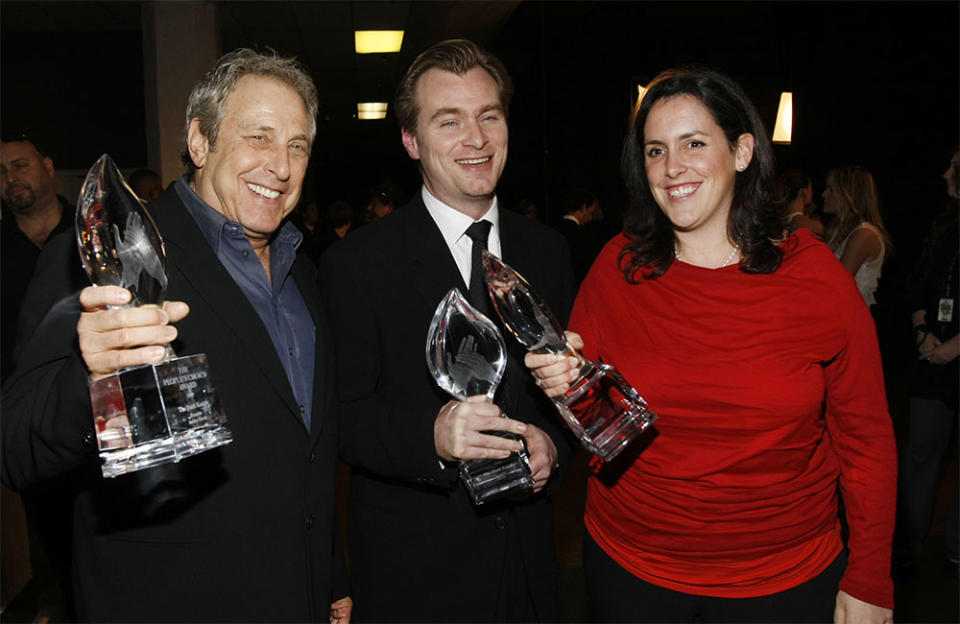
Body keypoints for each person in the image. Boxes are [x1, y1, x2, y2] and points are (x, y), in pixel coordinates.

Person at [525, 68, 896, 623]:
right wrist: (567, 388)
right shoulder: (618, 268)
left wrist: (869, 577)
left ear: (742, 150)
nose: (673, 168)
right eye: (656, 150)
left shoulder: (814, 277)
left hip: (782, 580)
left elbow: (865, 440)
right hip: (634, 571)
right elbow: (596, 427)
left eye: (694, 143)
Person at [1, 48, 351, 623]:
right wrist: (90, 380)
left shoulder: (303, 271)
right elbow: (14, 441)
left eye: (297, 146)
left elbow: (305, 445)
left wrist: (330, 572)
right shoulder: (109, 250)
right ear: (199, 142)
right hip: (170, 601)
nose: (281, 167)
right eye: (258, 137)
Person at [319, 39, 576, 622]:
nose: (477, 139)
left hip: (530, 568)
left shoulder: (548, 251)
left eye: (489, 116)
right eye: (449, 120)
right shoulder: (357, 264)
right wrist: (430, 437)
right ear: (411, 140)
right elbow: (342, 418)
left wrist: (552, 448)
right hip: (419, 575)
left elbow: (558, 396)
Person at [896, 149, 959, 577]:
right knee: (919, 453)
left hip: (952, 350)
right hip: (931, 353)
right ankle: (907, 546)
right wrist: (922, 330)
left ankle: (956, 550)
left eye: (955, 165)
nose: (945, 172)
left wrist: (956, 345)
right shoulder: (943, 223)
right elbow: (917, 282)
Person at [823, 165, 892, 306]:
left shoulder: (864, 234)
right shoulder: (838, 229)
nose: (824, 194)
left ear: (847, 194)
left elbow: (836, 284)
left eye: (831, 189)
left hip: (852, 321)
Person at [775, 169, 825, 237]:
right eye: (810, 189)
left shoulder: (776, 222)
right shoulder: (814, 227)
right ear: (803, 192)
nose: (812, 193)